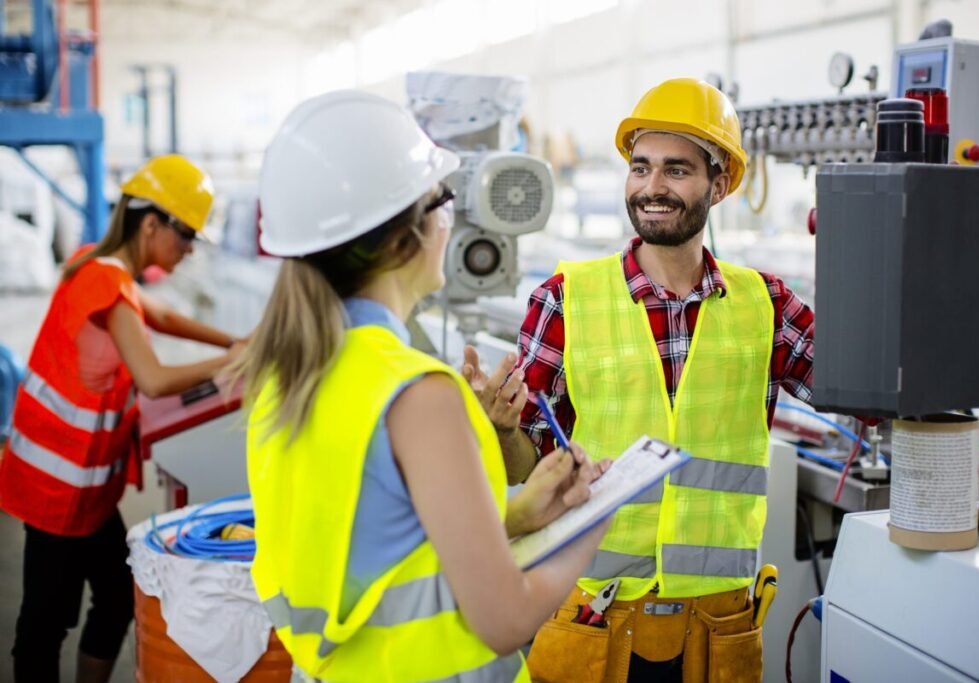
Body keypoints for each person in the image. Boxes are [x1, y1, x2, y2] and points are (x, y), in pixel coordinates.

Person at [238, 90, 610, 682]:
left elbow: (379, 545)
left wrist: (516, 514)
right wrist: (592, 526)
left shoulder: (288, 374)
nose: (450, 219)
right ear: (400, 239)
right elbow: (506, 619)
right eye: (442, 199)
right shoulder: (420, 396)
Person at [463, 78, 815, 682]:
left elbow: (866, 389)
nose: (652, 187)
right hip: (593, 620)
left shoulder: (767, 305)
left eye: (676, 170)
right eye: (641, 167)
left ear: (719, 185)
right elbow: (528, 466)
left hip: (717, 627)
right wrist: (500, 428)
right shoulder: (564, 299)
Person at [0, 154, 245, 683]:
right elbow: (152, 378)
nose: (189, 249)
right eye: (186, 235)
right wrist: (237, 362)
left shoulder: (100, 267)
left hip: (88, 489)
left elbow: (161, 315)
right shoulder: (103, 282)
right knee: (46, 623)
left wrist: (236, 342)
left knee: (115, 596)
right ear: (151, 223)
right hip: (58, 492)